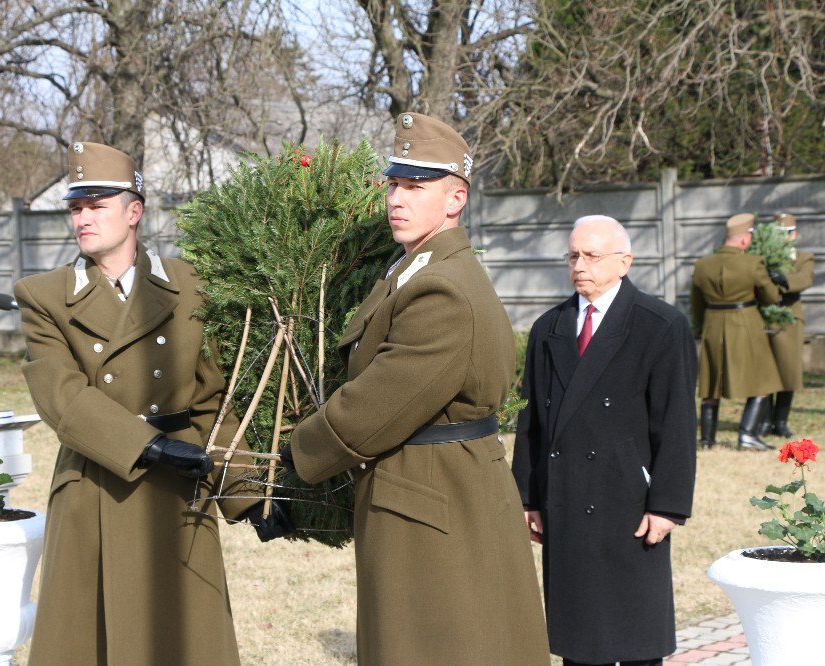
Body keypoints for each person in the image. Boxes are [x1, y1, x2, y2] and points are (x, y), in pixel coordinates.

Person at [283, 113, 550, 665]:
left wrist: (292, 460)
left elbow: (375, 407)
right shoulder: (412, 268)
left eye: (415, 187)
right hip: (423, 489)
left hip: (436, 499)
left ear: (456, 200)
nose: (396, 199)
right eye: (394, 184)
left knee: (439, 645)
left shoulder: (442, 289)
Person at [14, 141, 290, 665]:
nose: (82, 218)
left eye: (96, 205)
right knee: (93, 639)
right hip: (99, 479)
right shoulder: (44, 296)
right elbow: (64, 400)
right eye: (76, 207)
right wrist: (152, 448)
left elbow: (212, 399)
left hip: (178, 488)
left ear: (134, 211)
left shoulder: (189, 285)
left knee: (184, 638)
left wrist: (247, 494)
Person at [512, 215, 698, 666]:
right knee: (578, 637)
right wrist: (527, 496)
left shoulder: (661, 325)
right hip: (566, 496)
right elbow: (530, 421)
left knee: (636, 636)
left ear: (624, 262)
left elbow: (676, 424)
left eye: (592, 255)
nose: (580, 265)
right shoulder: (548, 328)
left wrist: (667, 505)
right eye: (573, 255)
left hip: (629, 500)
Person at [691, 213, 783, 450]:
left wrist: (704, 327)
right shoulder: (753, 263)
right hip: (745, 324)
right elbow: (770, 298)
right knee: (764, 378)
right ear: (743, 240)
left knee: (711, 383)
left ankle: (707, 440)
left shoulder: (702, 266)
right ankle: (747, 436)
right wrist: (774, 282)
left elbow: (696, 305)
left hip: (712, 323)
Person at [760, 213, 815, 437]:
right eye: (777, 233)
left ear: (794, 233)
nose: (782, 238)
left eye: (785, 233)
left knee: (788, 372)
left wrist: (783, 279)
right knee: (765, 374)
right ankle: (763, 422)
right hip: (765, 318)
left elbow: (804, 279)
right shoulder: (764, 255)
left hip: (790, 319)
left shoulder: (803, 257)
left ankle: (780, 421)